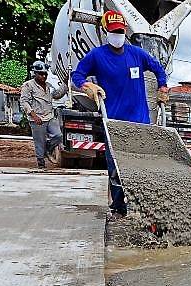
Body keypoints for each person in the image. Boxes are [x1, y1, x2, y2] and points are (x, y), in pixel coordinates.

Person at [71, 9, 170, 216]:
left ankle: (145, 205)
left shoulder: (137, 54)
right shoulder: (97, 56)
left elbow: (158, 68)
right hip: (114, 122)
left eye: (121, 31)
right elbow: (77, 74)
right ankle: (118, 207)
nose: (118, 35)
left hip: (140, 121)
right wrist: (87, 86)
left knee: (143, 165)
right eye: (114, 31)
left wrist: (162, 88)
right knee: (115, 167)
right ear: (106, 31)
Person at [19, 60, 68, 169]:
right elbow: (24, 102)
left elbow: (57, 95)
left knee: (58, 135)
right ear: (34, 73)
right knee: (39, 142)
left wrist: (65, 83)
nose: (43, 76)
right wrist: (34, 115)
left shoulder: (48, 86)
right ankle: (41, 164)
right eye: (41, 74)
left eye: (45, 74)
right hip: (37, 118)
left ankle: (48, 149)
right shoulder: (28, 86)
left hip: (49, 116)